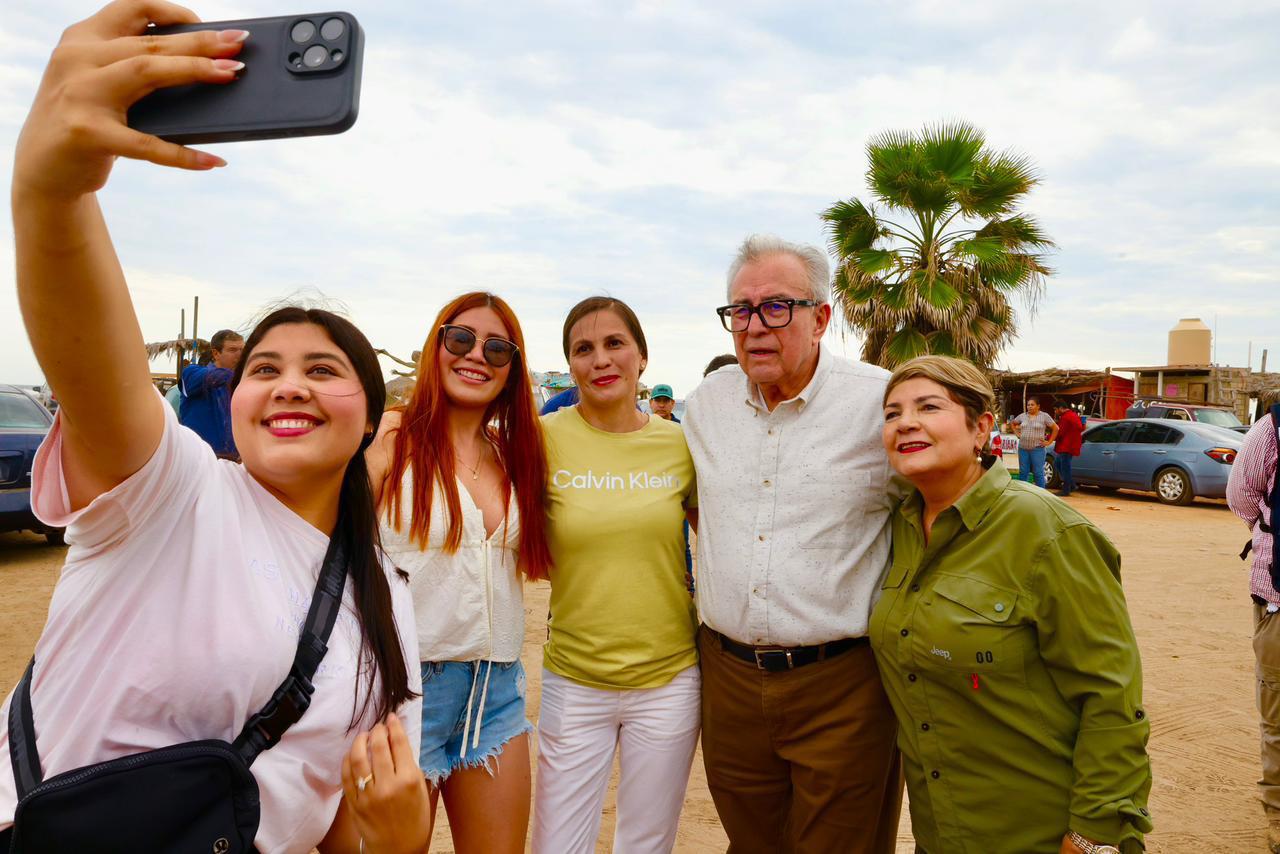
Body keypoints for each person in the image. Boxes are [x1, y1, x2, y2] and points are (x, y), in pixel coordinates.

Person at [0, 5, 429, 851]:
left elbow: (341, 815)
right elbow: (92, 354)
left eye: (322, 369)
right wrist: (52, 192)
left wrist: (404, 834)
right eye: (263, 369)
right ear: (231, 401)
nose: (288, 384)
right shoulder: (173, 491)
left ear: (370, 419)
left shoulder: (387, 597)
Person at [873, 355, 1152, 854]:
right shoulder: (899, 528)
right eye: (892, 413)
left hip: (1039, 834)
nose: (905, 422)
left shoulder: (1047, 530)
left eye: (928, 407)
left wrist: (1093, 834)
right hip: (941, 833)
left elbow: (1110, 694)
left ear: (981, 428)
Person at [682, 234, 901, 853]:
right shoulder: (705, 406)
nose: (754, 326)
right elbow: (692, 505)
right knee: (751, 843)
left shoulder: (879, 402)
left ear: (821, 318)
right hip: (728, 681)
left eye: (776, 307)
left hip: (844, 686)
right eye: (740, 310)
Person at [367, 292, 551, 854]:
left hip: (497, 690)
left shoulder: (511, 454)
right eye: (461, 338)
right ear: (437, 344)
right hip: (402, 692)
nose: (476, 355)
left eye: (497, 348)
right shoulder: (391, 437)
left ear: (512, 367)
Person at [532, 297, 699, 853]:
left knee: (646, 843)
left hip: (669, 681)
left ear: (641, 357)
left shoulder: (679, 443)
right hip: (574, 679)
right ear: (570, 365)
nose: (600, 359)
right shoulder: (542, 438)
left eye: (614, 344)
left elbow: (724, 536)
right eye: (584, 349)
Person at [1227, 405, 1280, 852]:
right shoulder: (1272, 430)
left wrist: (1267, 527)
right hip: (1277, 597)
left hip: (1277, 596)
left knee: (1277, 719)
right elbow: (1243, 495)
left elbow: (1241, 497)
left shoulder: (1273, 429)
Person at [180, 328, 244, 458]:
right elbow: (214, 377)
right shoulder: (192, 373)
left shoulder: (241, 383)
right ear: (216, 353)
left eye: (242, 350)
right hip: (199, 458)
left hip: (234, 461)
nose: (240, 355)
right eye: (233, 350)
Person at [1011, 396, 1057, 487]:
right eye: (1028, 405)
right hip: (1023, 449)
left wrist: (1049, 442)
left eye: (1032, 405)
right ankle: (1023, 492)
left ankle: (1041, 493)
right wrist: (1017, 433)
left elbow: (1056, 428)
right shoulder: (1022, 416)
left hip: (1037, 449)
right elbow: (1013, 423)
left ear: (1038, 406)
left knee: (1038, 473)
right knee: (1023, 472)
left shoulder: (1044, 416)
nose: (1030, 407)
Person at [1053, 401, 1084, 496]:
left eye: (1055, 409)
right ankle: (1072, 485)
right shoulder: (1073, 415)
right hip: (1070, 445)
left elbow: (1060, 432)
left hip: (1066, 446)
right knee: (1059, 464)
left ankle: (1066, 490)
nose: (1055, 412)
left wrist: (1049, 437)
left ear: (1061, 408)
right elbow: (1081, 427)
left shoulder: (1065, 417)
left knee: (1064, 468)